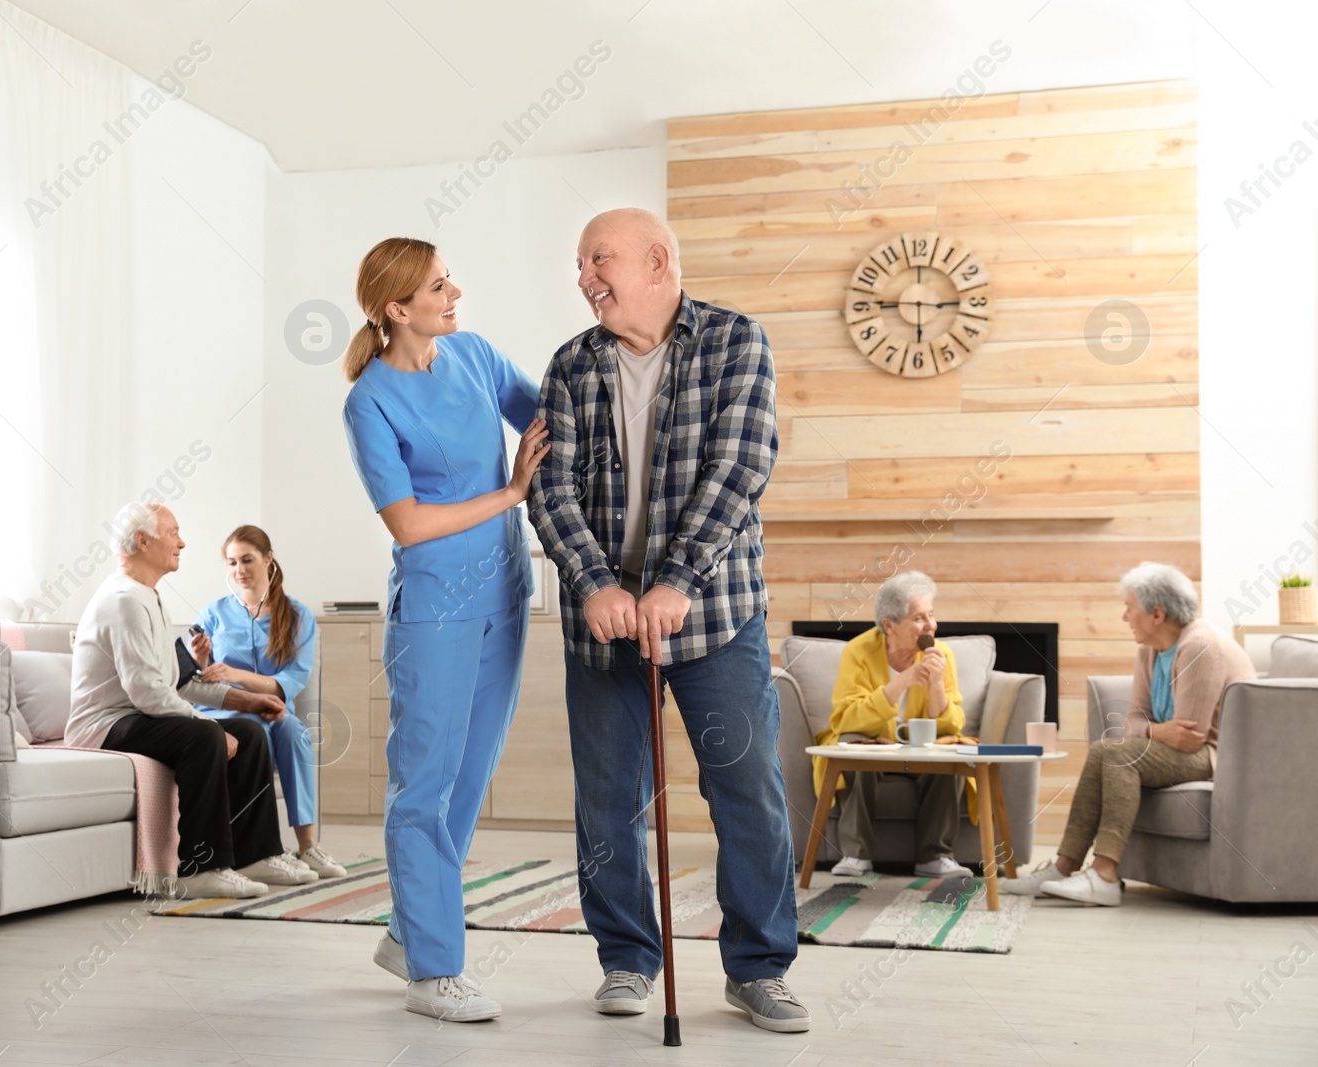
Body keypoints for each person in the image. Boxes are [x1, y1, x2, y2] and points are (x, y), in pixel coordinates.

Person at [529, 208, 808, 1034]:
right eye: (580, 262)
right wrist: (591, 583)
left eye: (598, 259)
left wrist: (677, 580)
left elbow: (740, 465)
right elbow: (551, 488)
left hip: (716, 616)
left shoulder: (735, 342)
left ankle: (758, 968)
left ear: (657, 262)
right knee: (609, 801)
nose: (584, 276)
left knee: (747, 790)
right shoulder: (572, 365)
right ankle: (626, 958)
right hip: (605, 627)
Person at [340, 236, 549, 1023]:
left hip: (504, 592)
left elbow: (547, 420)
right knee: (423, 781)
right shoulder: (370, 401)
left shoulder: (475, 356)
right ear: (398, 309)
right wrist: (512, 493)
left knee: (468, 776)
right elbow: (409, 522)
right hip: (435, 607)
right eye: (437, 285)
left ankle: (406, 930)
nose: (454, 292)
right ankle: (434, 969)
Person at [65, 502, 316, 899]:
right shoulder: (123, 599)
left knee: (249, 734)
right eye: (173, 533)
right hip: (106, 724)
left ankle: (256, 855)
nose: (182, 542)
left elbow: (179, 681)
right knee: (204, 738)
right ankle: (200, 867)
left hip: (138, 716)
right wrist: (210, 725)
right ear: (143, 541)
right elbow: (147, 691)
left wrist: (250, 703)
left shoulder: (148, 596)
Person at [1003, 562, 1255, 906]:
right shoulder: (1149, 649)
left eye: (1129, 607)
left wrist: (1147, 730)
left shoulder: (1200, 646)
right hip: (1180, 752)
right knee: (1104, 749)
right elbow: (1133, 720)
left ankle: (1104, 874)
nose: (1125, 617)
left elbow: (1189, 736)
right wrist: (1155, 729)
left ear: (1157, 614)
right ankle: (1064, 867)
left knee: (1120, 752)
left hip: (1214, 756)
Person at [191, 525, 345, 880]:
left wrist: (238, 675)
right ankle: (267, 850)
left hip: (273, 709)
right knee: (255, 729)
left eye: (247, 559)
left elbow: (291, 680)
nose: (239, 569)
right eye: (232, 562)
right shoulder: (213, 614)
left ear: (268, 559)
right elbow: (197, 678)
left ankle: (308, 845)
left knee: (293, 730)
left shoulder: (297, 616)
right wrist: (203, 661)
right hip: (225, 709)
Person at [820, 571, 969, 879]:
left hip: (919, 752)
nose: (930, 626)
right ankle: (856, 854)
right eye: (918, 618)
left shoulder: (942, 655)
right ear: (889, 625)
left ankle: (934, 856)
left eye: (931, 615)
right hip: (876, 746)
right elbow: (846, 718)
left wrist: (937, 683)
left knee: (951, 752)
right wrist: (900, 683)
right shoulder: (858, 651)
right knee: (851, 742)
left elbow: (949, 726)